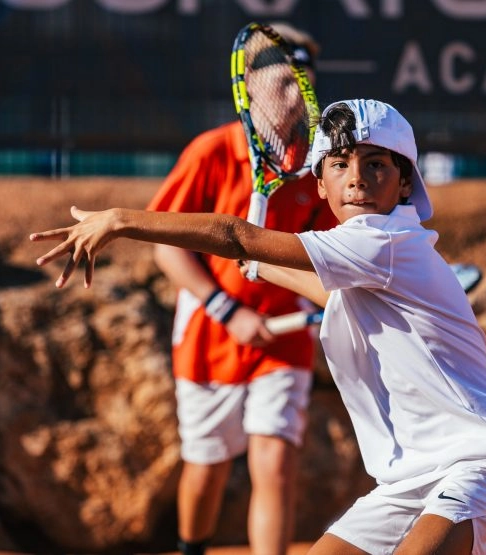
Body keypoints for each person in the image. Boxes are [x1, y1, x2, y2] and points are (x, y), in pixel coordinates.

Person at [31, 98, 486, 555]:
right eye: (339, 165)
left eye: (375, 165)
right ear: (320, 183)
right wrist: (258, 265)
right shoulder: (365, 258)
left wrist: (120, 220)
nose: (355, 178)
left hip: (480, 463)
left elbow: (235, 234)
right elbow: (330, 292)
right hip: (408, 478)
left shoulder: (386, 241)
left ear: (405, 183)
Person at [143, 23, 336, 555]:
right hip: (210, 335)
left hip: (284, 339)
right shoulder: (210, 152)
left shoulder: (317, 168)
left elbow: (328, 255)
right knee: (205, 468)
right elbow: (167, 245)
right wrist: (227, 311)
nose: (299, 96)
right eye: (286, 83)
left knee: (275, 461)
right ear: (249, 88)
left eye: (307, 85)